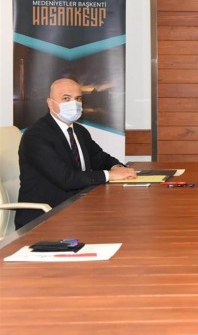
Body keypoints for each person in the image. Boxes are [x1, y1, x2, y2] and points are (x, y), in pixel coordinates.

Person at [15, 78, 137, 229]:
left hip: (78, 209)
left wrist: (117, 167)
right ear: (50, 103)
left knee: (125, 220)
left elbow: (100, 158)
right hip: (45, 218)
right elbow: (66, 179)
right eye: (66, 99)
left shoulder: (79, 131)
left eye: (78, 99)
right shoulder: (36, 136)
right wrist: (109, 175)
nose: (74, 104)